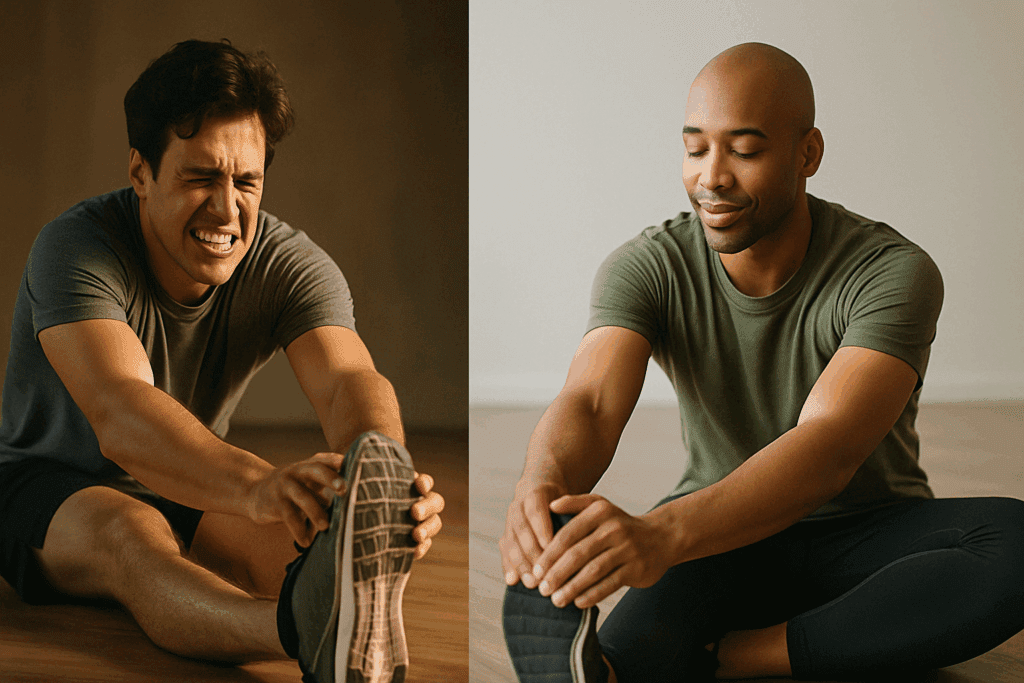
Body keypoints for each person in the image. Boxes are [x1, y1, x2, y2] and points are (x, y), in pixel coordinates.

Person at [500, 42, 1024, 682]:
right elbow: (589, 401)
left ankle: (738, 657)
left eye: (744, 151)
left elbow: (827, 449)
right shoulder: (647, 267)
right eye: (695, 149)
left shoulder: (890, 271)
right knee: (623, 664)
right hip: (717, 537)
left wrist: (658, 536)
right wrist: (541, 486)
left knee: (1016, 542)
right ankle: (818, 648)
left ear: (808, 153)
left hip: (867, 535)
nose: (712, 176)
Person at [0, 39, 445, 683]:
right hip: (42, 484)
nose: (227, 208)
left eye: (247, 181)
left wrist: (383, 482)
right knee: (132, 532)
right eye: (201, 177)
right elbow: (122, 413)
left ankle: (346, 606)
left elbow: (349, 378)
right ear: (140, 171)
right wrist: (259, 487)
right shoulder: (74, 248)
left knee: (309, 535)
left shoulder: (288, 262)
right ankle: (303, 630)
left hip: (185, 473)